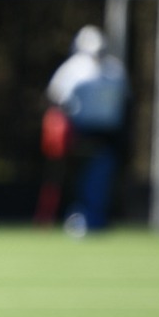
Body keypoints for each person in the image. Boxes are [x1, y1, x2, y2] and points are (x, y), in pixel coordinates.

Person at [46, 26, 129, 237]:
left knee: (101, 178)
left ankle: (96, 220)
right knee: (81, 177)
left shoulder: (115, 69)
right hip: (82, 131)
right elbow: (57, 96)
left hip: (108, 133)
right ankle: (79, 218)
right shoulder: (74, 68)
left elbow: (125, 99)